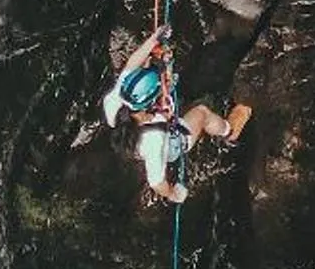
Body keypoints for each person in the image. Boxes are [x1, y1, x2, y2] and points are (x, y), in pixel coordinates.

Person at [101, 24, 252, 206]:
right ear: (150, 102)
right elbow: (157, 182)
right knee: (202, 112)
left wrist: (154, 40)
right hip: (171, 143)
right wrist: (173, 193)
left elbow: (131, 64)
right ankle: (229, 132)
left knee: (156, 72)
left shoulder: (115, 99)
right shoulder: (154, 139)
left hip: (139, 133)